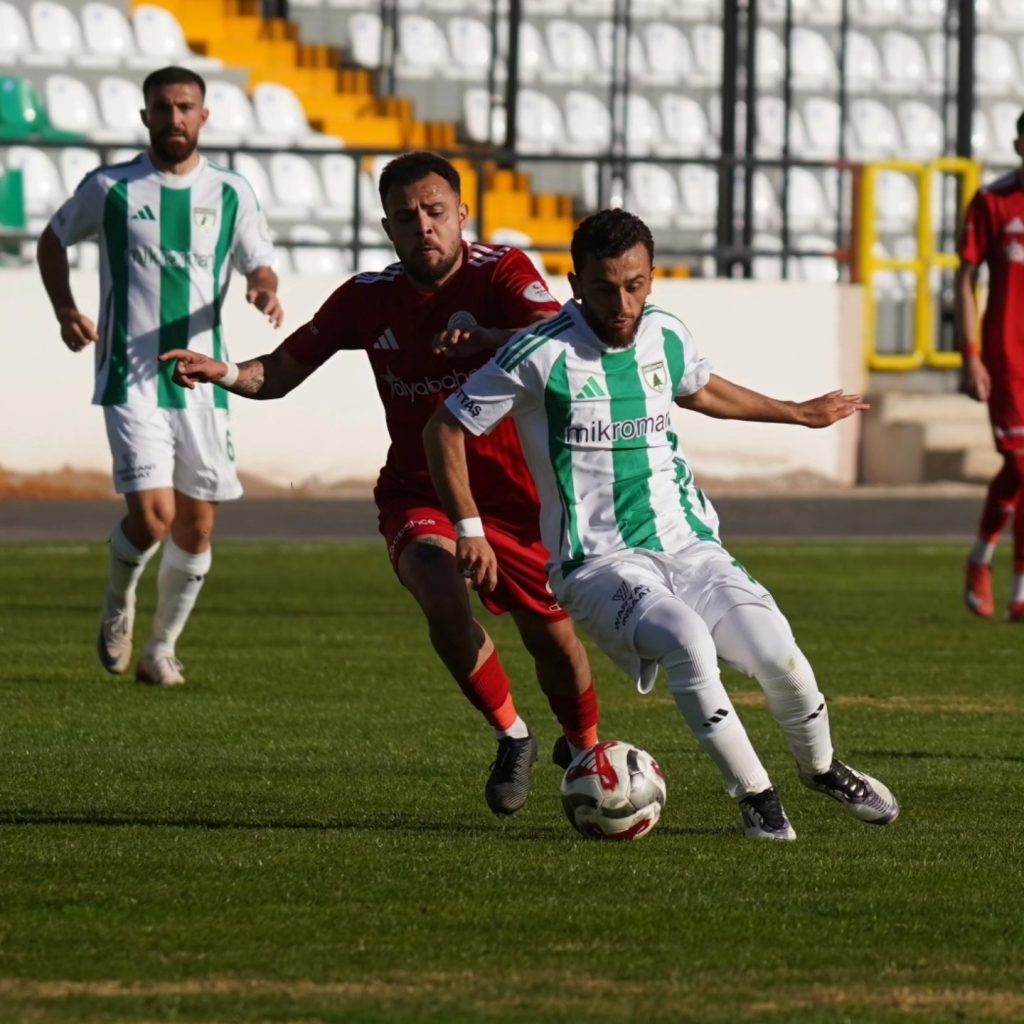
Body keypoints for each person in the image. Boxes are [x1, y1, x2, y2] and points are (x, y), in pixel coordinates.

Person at [424, 208, 901, 841]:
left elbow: (699, 388)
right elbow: (446, 427)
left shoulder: (665, 335)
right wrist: (469, 525)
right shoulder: (539, 354)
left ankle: (822, 769)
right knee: (685, 640)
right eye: (604, 287)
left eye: (635, 285)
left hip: (689, 544)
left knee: (780, 656)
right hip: (597, 563)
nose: (621, 303)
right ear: (575, 284)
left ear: (650, 278)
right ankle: (758, 799)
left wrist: (796, 413)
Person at [160, 151, 599, 816]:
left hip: (514, 499)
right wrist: (223, 371)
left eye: (435, 211)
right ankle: (513, 735)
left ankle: (585, 747)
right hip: (417, 493)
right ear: (389, 229)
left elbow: (555, 338)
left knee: (552, 638)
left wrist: (485, 336)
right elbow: (278, 372)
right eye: (406, 217)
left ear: (462, 216)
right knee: (439, 591)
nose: (423, 225)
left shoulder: (502, 272)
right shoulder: (367, 299)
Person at [36, 66, 283, 687]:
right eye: (163, 107)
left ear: (204, 116)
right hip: (129, 375)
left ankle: (160, 650)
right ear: (145, 116)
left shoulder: (230, 192)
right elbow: (52, 240)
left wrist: (263, 288)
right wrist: (66, 310)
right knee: (152, 516)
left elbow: (261, 261)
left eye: (185, 107)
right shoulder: (111, 186)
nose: (174, 118)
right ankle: (119, 601)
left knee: (198, 525)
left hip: (204, 380)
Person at [956, 110, 1024, 623]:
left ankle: (1017, 586)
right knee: (1022, 465)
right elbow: (965, 277)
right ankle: (982, 562)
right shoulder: (993, 200)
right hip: (1007, 356)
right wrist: (971, 355)